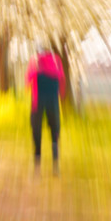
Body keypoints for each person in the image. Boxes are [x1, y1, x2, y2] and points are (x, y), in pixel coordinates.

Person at [27, 45, 66, 176]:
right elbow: (62, 79)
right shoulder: (57, 60)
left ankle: (37, 168)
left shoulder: (35, 60)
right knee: (55, 132)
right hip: (53, 102)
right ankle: (56, 167)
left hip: (38, 102)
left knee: (36, 132)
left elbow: (28, 81)